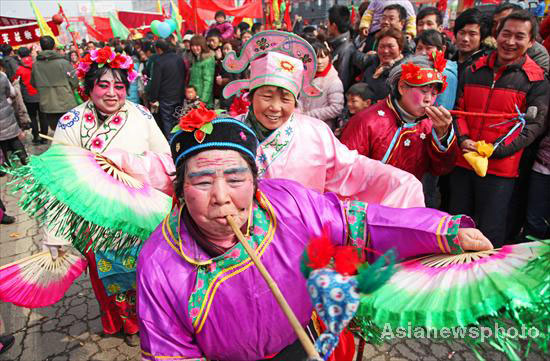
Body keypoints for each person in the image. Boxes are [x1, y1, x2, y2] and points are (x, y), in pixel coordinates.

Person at [136, 109, 493, 361]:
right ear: (180, 189)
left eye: (235, 178)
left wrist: (443, 232)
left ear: (255, 180)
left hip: (303, 342)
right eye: (201, 182)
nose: (221, 196)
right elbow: (170, 353)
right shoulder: (160, 263)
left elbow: (361, 224)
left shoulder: (289, 204)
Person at [50, 46, 174, 346]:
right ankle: (121, 324)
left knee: (143, 272)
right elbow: (58, 180)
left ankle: (145, 323)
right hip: (93, 218)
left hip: (138, 213)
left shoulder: (141, 114)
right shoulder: (71, 122)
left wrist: (136, 168)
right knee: (110, 278)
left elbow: (165, 158)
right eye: (103, 85)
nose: (112, 93)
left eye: (119, 86)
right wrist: (55, 232)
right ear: (88, 86)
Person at [222, 30, 426, 208]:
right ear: (251, 96)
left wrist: (398, 181)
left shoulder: (315, 132)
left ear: (295, 101)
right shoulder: (228, 134)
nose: (275, 107)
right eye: (266, 96)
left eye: (285, 99)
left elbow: (351, 168)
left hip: (301, 236)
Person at [450, 10, 550, 247]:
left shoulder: (537, 80)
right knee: (456, 226)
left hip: (501, 170)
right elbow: (458, 109)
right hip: (463, 161)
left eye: (519, 36)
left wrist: (495, 150)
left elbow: (532, 128)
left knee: (490, 233)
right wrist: (463, 139)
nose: (510, 41)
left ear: (531, 42)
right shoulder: (473, 69)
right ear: (496, 34)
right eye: (506, 34)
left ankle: (482, 281)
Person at [340, 53, 458, 181]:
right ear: (402, 87)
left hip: (409, 198)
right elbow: (345, 170)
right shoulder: (367, 121)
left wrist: (443, 135)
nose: (429, 99)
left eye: (434, 93)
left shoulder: (429, 126)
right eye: (424, 91)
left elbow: (441, 169)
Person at [31, 36, 78, 131]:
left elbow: (34, 84)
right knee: (71, 130)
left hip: (48, 105)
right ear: (54, 46)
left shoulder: (36, 65)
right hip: (66, 103)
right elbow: (75, 83)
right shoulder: (64, 63)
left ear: (41, 46)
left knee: (57, 131)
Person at [298, 40, 344, 130]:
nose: (319, 61)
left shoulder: (334, 81)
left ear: (329, 57)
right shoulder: (306, 75)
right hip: (303, 123)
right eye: (315, 57)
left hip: (320, 128)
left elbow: (336, 108)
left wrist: (309, 115)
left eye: (323, 57)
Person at [148, 39, 186, 138]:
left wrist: (153, 98)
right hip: (179, 95)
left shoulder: (159, 61)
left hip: (166, 97)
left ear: (159, 49)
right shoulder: (179, 58)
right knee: (178, 121)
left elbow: (156, 82)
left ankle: (171, 147)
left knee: (168, 123)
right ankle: (178, 143)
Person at [360, 28, 405, 102]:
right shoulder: (371, 65)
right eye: (382, 47)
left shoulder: (401, 72)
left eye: (391, 46)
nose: (385, 51)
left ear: (400, 48)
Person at [0, 59, 28, 167]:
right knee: (14, 138)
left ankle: (3, 167)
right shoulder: (2, 76)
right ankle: (25, 160)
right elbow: (11, 93)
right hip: (6, 112)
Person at [15, 47, 46, 144]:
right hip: (41, 94)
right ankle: (44, 137)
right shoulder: (37, 64)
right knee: (42, 116)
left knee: (32, 117)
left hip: (29, 97)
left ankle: (36, 137)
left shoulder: (19, 68)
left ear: (19, 56)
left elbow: (15, 80)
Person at [451, 9, 491, 78]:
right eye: (461, 33)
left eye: (472, 34)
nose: (465, 39)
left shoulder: (485, 66)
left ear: (482, 37)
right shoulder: (448, 61)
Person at [327, 5, 357, 92]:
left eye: (328, 22)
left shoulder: (346, 49)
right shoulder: (337, 45)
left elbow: (343, 80)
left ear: (334, 25)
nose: (327, 25)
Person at [189, 35, 215, 109]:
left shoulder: (208, 60)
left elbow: (208, 82)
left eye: (197, 45)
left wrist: (203, 100)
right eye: (192, 46)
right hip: (193, 97)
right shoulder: (196, 59)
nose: (194, 48)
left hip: (202, 100)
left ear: (202, 46)